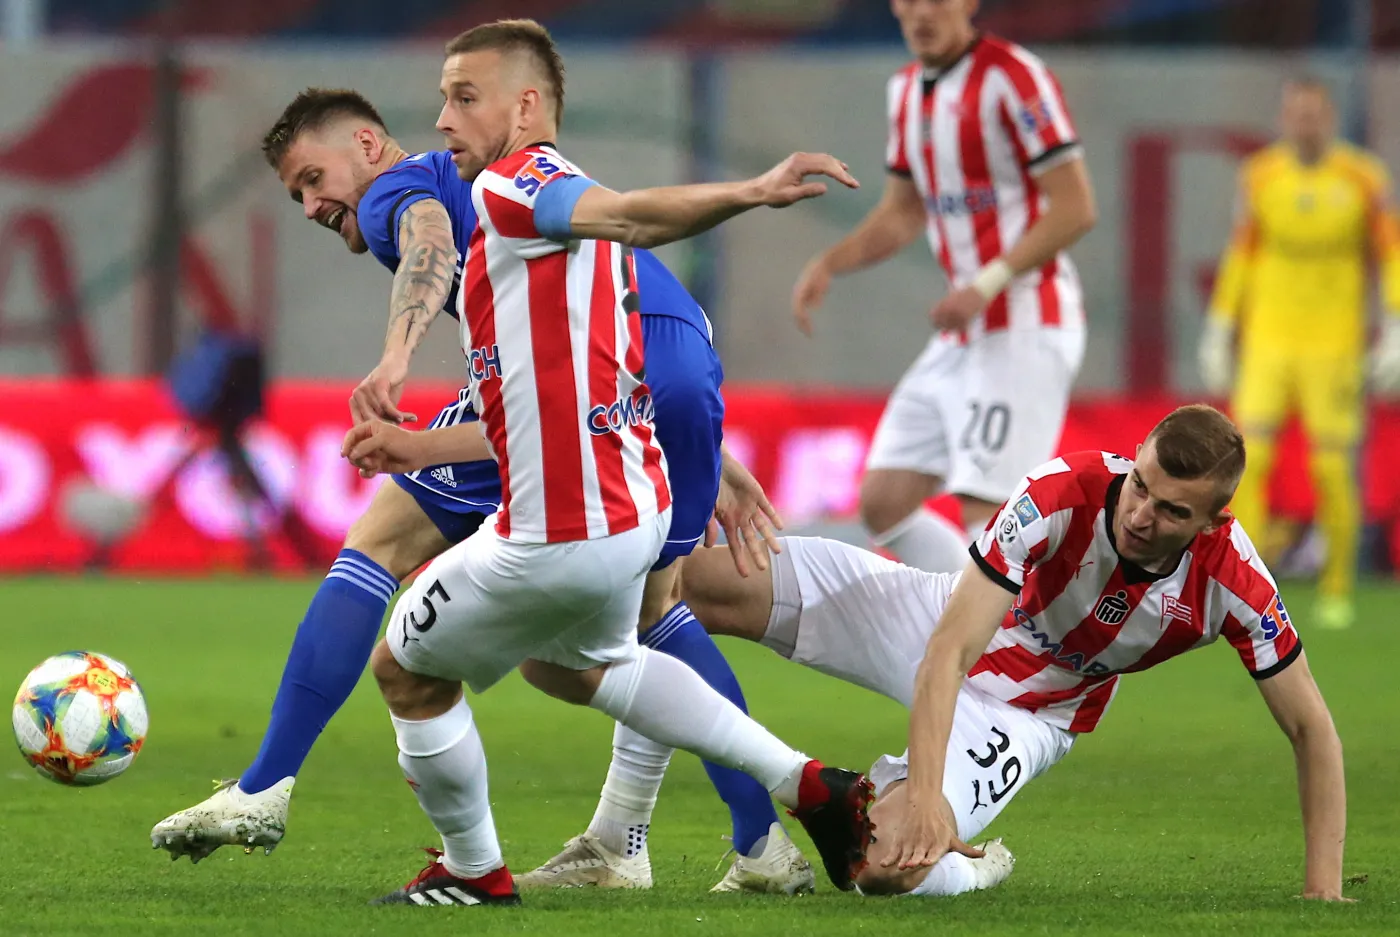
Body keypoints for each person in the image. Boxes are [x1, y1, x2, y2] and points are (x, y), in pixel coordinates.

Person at [150, 84, 814, 892]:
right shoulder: (514, 178)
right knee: (653, 618)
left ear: (366, 145)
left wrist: (397, 355)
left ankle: (267, 787)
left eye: (312, 178)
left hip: (623, 369)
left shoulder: (404, 187)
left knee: (381, 547)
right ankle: (757, 845)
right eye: (295, 194)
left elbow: (429, 239)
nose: (311, 205)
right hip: (665, 355)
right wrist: (696, 435)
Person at [331, 19, 876, 905]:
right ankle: (809, 784)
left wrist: (755, 188)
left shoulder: (513, 189)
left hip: (559, 533)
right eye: (442, 98)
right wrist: (422, 446)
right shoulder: (569, 240)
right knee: (577, 665)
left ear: (527, 104)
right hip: (632, 515)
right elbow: (580, 387)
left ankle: (473, 871)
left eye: (464, 97)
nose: (442, 118)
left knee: (403, 667)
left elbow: (633, 212)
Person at [678, 405, 1350, 901]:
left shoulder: (1236, 584)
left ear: (1213, 522)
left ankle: (973, 862)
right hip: (940, 618)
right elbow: (948, 649)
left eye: (1174, 511)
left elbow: (1309, 725)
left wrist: (1322, 892)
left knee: (882, 868)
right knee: (680, 585)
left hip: (1030, 714)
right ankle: (620, 832)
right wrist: (930, 801)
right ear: (1136, 451)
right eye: (1141, 485)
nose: (1143, 514)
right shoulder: (1058, 492)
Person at [792, 0, 1095, 574]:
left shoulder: (1013, 76)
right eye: (910, 0)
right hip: (964, 330)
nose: (921, 12)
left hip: (1026, 321)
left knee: (989, 510)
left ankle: (1012, 647)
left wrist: (987, 283)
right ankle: (968, 623)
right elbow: (904, 212)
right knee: (883, 502)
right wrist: (831, 262)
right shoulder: (906, 90)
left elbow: (1076, 206)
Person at [1198, 76, 1400, 631]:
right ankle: (1248, 583)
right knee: (1249, 460)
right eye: (1295, 114)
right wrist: (1220, 325)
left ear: (1328, 117)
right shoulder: (1261, 175)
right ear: (1285, 118)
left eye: (1313, 114)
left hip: (1333, 344)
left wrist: (1396, 324)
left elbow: (1389, 253)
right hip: (1269, 338)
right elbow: (1243, 254)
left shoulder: (1363, 178)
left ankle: (1337, 587)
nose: (1303, 124)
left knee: (1330, 467)